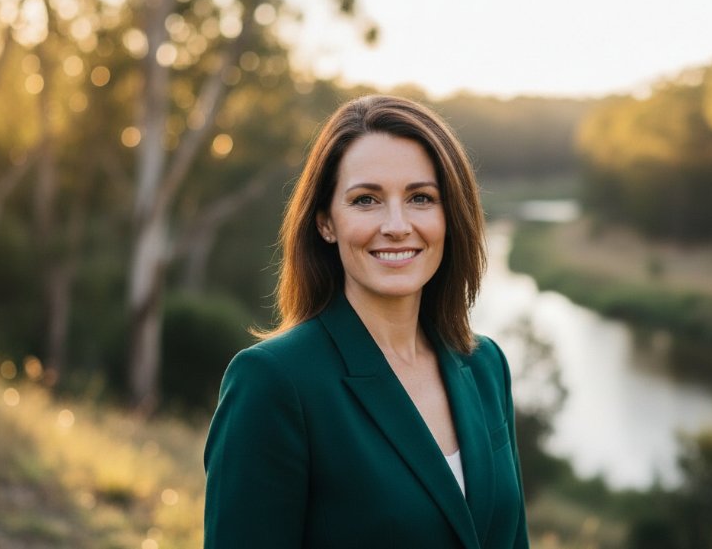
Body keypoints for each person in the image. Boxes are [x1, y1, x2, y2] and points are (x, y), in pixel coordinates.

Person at [203, 95, 529, 549]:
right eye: (366, 200)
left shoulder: (485, 365)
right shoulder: (273, 382)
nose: (397, 225)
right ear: (326, 223)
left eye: (420, 198)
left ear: (449, 214)